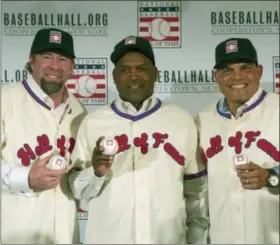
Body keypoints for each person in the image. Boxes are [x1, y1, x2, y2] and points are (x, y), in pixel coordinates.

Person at [68, 35, 209, 244]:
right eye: (125, 70)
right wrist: (96, 172)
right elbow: (77, 190)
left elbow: (196, 191)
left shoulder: (181, 121)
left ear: (155, 74)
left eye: (141, 68)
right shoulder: (93, 123)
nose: (133, 75)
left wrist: (196, 239)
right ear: (114, 77)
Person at [1, 28, 87, 243]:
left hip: (66, 236)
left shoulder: (79, 111)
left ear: (72, 67)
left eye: (63, 59)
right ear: (31, 61)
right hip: (16, 236)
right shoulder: (6, 100)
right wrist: (26, 178)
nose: (55, 66)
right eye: (46, 57)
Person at [195, 37, 279, 244]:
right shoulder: (203, 120)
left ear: (259, 71)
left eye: (245, 68)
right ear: (216, 76)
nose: (237, 76)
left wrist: (272, 176)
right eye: (227, 70)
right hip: (223, 237)